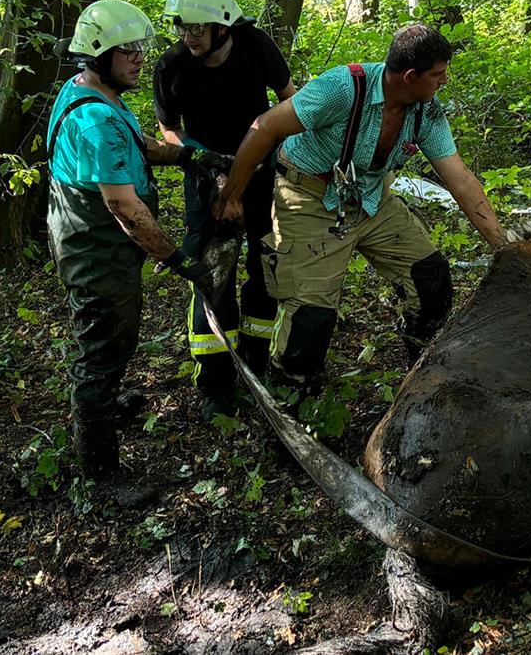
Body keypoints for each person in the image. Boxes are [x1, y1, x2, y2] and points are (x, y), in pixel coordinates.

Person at [215, 24, 506, 396]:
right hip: (309, 199)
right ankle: (290, 403)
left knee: (430, 278)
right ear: (410, 76)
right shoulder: (343, 88)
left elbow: (461, 180)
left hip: (370, 198)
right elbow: (265, 126)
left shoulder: (425, 112)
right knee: (310, 319)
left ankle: (421, 372)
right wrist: (233, 195)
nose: (444, 81)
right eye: (438, 74)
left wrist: (503, 246)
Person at [46, 0, 227, 505]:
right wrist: (179, 260)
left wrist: (189, 154)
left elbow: (138, 144)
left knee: (108, 336)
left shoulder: (91, 92)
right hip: (96, 246)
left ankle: (102, 405)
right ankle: (101, 474)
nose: (140, 59)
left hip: (82, 232)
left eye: (141, 48)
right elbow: (126, 209)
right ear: (99, 55)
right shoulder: (95, 123)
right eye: (128, 51)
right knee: (104, 345)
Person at [154, 0, 295, 421]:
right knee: (213, 275)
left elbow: (289, 100)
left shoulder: (256, 47)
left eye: (197, 29)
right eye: (182, 28)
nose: (188, 37)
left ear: (223, 27)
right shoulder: (171, 67)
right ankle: (216, 383)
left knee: (265, 264)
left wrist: (274, 162)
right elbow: (169, 129)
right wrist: (211, 172)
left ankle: (257, 363)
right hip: (203, 178)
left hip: (260, 171)